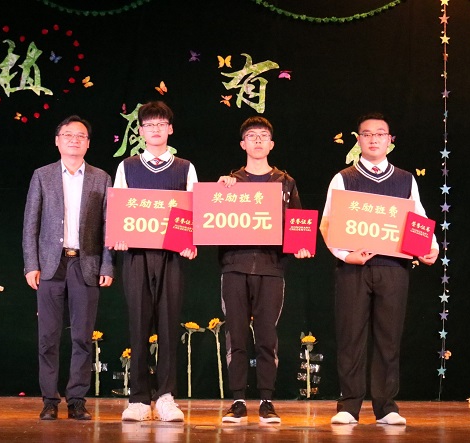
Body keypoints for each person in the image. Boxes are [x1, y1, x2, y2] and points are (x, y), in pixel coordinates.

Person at [320, 113, 438, 426]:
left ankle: (386, 407)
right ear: (358, 140)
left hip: (394, 267)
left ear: (390, 140)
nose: (374, 139)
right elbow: (328, 223)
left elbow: (418, 217)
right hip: (353, 269)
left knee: (389, 338)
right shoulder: (343, 178)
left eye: (380, 134)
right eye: (367, 134)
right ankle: (349, 406)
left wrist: (431, 248)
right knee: (351, 336)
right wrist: (346, 255)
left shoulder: (405, 179)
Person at [217, 116, 312, 424]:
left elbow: (298, 223)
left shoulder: (285, 182)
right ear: (242, 144)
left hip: (271, 268)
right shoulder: (229, 182)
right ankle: (237, 400)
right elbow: (213, 221)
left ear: (271, 144)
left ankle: (267, 401)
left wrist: (301, 246)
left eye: (263, 136)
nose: (257, 140)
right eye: (251, 136)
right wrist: (220, 191)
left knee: (267, 337)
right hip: (235, 266)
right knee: (236, 335)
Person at [22, 115, 114, 421]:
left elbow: (109, 226)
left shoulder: (101, 178)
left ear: (88, 143)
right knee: (48, 337)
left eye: (80, 136)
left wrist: (107, 264)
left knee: (82, 337)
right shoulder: (42, 175)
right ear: (57, 141)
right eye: (68, 135)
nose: (74, 140)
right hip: (50, 264)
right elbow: (30, 224)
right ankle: (50, 399)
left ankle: (76, 399)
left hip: (86, 264)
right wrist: (31, 264)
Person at [112, 101, 198, 422]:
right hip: (136, 254)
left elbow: (192, 209)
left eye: (161, 124)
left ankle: (165, 397)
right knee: (138, 323)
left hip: (171, 255)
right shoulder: (128, 166)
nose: (155, 129)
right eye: (149, 125)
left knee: (168, 324)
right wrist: (119, 236)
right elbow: (119, 207)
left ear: (170, 129)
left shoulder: (184, 167)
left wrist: (190, 241)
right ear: (141, 130)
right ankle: (138, 398)